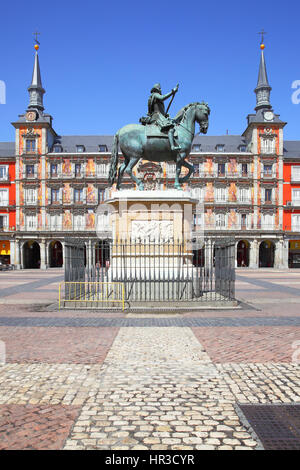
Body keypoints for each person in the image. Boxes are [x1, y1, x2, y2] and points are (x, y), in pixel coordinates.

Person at [140, 83, 180, 151]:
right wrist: (172, 91)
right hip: (157, 116)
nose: (161, 90)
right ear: (157, 89)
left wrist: (164, 114)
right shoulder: (155, 95)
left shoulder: (153, 96)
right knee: (171, 128)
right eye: (160, 88)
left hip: (158, 115)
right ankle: (172, 146)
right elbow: (163, 98)